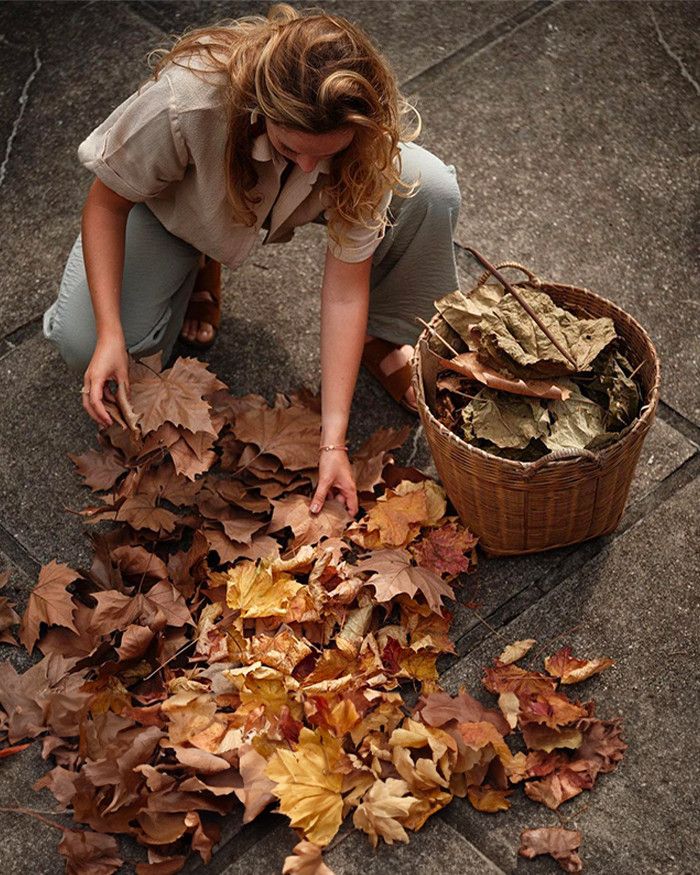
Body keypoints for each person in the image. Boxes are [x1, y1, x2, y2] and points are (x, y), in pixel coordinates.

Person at [42, 3, 461, 518]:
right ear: (263, 109)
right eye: (292, 146)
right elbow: (106, 205)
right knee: (87, 346)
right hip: (175, 205)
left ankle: (382, 338)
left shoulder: (359, 136)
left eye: (325, 154)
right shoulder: (185, 101)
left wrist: (333, 444)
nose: (310, 166)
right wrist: (109, 332)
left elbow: (346, 288)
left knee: (431, 191)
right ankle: (197, 254)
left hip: (278, 201)